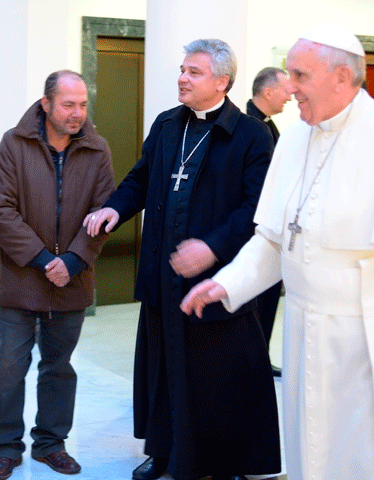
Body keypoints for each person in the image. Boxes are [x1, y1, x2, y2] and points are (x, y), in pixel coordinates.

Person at [181, 24, 374, 480]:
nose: (289, 88)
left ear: (342, 77)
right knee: (313, 449)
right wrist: (227, 281)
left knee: (371, 456)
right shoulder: (296, 138)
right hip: (306, 330)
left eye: (300, 75)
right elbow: (274, 237)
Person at [86, 40, 280, 480]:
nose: (182, 78)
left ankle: (219, 462)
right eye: (182, 69)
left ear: (221, 81)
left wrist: (211, 247)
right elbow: (140, 178)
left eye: (194, 72)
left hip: (218, 279)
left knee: (215, 378)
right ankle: (166, 450)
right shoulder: (167, 125)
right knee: (164, 368)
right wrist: (115, 208)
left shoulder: (250, 135)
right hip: (163, 275)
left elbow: (256, 209)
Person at [0, 70, 115, 479]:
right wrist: (44, 259)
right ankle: (6, 447)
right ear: (46, 104)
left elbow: (105, 212)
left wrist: (74, 260)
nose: (77, 113)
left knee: (59, 368)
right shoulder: (14, 143)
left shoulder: (98, 150)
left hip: (72, 281)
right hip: (22, 279)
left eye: (82, 105)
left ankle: (50, 443)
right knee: (8, 370)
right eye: (68, 105)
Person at [247, 66, 291, 376]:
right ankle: (252, 359)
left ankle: (260, 355)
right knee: (257, 299)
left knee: (269, 298)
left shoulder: (268, 125)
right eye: (286, 88)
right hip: (255, 228)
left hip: (272, 225)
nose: (290, 95)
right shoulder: (250, 126)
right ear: (268, 92)